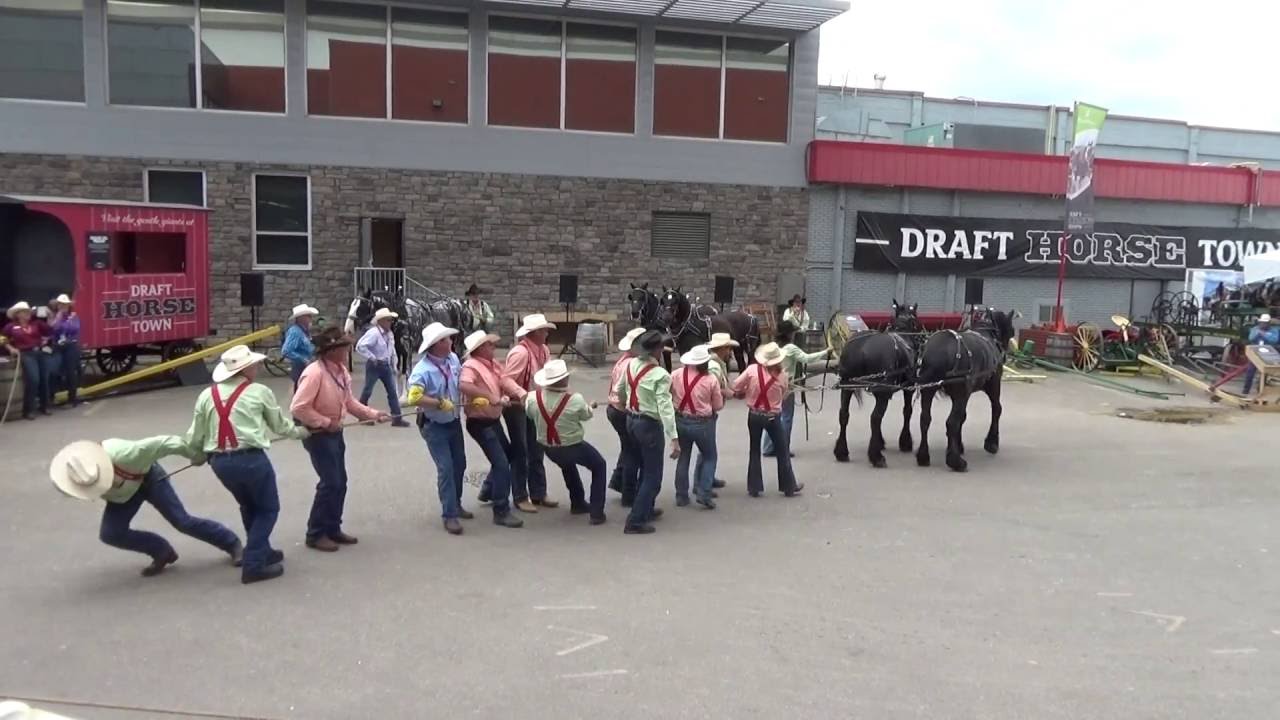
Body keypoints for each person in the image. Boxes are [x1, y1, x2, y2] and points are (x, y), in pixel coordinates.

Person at [183, 344, 308, 584]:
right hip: (251, 458)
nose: (259, 367)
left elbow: (195, 436)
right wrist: (303, 433)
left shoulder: (207, 395)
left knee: (249, 506)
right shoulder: (259, 392)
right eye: (255, 364)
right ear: (246, 369)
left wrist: (196, 456)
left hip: (220, 462)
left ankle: (262, 550)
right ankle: (253, 564)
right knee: (268, 508)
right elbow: (280, 426)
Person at [50, 437, 242, 578]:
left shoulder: (126, 454)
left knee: (182, 521)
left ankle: (231, 543)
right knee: (111, 533)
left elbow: (167, 442)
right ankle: (161, 551)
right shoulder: (72, 474)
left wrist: (196, 455)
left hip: (149, 479)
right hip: (123, 494)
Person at [292, 328, 391, 553]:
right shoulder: (314, 373)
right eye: (344, 347)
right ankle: (315, 533)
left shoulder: (340, 371)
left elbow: (349, 402)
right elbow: (298, 408)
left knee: (340, 482)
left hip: (334, 432)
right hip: (318, 434)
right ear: (331, 351)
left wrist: (373, 414)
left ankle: (332, 527)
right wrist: (325, 422)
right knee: (330, 482)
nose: (348, 350)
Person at [407, 322, 471, 535]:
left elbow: (461, 380)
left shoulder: (452, 359)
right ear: (435, 345)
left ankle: (456, 503)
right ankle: (449, 514)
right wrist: (437, 403)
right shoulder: (422, 370)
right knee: (446, 468)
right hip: (434, 424)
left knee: (459, 464)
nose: (451, 342)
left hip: (453, 420)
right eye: (445, 339)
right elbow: (413, 397)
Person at [526, 359, 608, 525]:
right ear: (563, 380)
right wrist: (590, 406)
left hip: (548, 447)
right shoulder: (575, 400)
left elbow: (529, 414)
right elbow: (586, 415)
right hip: (572, 445)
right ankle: (597, 512)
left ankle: (577, 502)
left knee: (567, 465)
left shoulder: (533, 398)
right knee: (599, 465)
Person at [613, 330, 679, 535]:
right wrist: (674, 437)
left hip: (631, 419)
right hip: (649, 424)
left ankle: (645, 507)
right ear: (658, 350)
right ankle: (636, 519)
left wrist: (626, 404)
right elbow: (665, 407)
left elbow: (621, 388)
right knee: (652, 474)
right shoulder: (660, 375)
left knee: (638, 463)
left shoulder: (631, 364)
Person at [458, 329, 524, 529]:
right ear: (479, 349)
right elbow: (464, 385)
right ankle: (501, 510)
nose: (493, 347)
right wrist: (490, 396)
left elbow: (504, 380)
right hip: (480, 421)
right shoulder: (471, 365)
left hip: (491, 419)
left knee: (508, 456)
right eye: (489, 345)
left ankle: (488, 490)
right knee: (502, 463)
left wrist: (520, 394)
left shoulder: (492, 364)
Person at [501, 313, 559, 512]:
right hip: (518, 406)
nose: (547, 333)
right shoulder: (520, 353)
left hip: (535, 404)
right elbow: (506, 379)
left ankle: (538, 492)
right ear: (534, 333)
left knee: (537, 449)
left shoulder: (543, 350)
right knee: (521, 450)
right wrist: (521, 393)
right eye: (544, 330)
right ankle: (520, 496)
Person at [733, 343, 804, 499]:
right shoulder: (782, 375)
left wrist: (747, 391)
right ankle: (788, 486)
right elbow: (784, 395)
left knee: (754, 449)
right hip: (772, 416)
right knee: (782, 451)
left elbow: (736, 386)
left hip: (754, 414)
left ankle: (754, 487)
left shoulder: (752, 370)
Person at [763, 320, 831, 458]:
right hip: (786, 385)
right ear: (789, 334)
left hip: (771, 384)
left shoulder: (773, 347)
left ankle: (768, 447)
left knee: (772, 416)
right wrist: (825, 352)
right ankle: (783, 448)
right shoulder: (791, 348)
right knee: (786, 418)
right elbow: (807, 359)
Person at [671, 345, 724, 509]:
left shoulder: (676, 375)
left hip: (680, 419)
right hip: (703, 422)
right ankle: (704, 493)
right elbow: (718, 404)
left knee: (683, 457)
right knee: (709, 457)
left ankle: (681, 495)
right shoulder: (710, 379)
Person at [606, 327, 646, 501]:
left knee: (627, 447)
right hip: (622, 410)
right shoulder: (632, 364)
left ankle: (618, 480)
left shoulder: (623, 360)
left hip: (614, 408)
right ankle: (628, 492)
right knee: (633, 452)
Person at [356, 307, 408, 427]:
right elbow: (360, 346)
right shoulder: (374, 333)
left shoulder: (389, 334)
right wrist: (372, 357)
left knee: (392, 391)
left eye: (391, 320)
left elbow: (392, 351)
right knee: (367, 390)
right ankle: (362, 415)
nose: (391, 322)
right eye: (388, 320)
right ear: (381, 321)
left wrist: (395, 365)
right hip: (375, 365)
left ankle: (397, 418)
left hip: (385, 364)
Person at [3, 301, 53, 420]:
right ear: (18, 314)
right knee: (33, 380)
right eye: (25, 312)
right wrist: (10, 348)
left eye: (28, 312)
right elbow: (2, 338)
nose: (28, 314)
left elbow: (50, 330)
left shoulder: (36, 323)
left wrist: (50, 317)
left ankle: (44, 406)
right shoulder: (11, 326)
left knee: (44, 379)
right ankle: (28, 409)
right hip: (26, 354)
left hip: (40, 352)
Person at [703, 332, 739, 490]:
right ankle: (704, 485)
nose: (730, 351)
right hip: (707, 411)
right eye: (728, 348)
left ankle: (707, 479)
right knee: (708, 452)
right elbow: (712, 388)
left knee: (706, 451)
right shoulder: (714, 366)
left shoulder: (718, 364)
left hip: (707, 410)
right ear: (723, 349)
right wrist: (727, 393)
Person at [50, 294, 82, 407]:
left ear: (69, 305)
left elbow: (75, 329)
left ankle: (72, 399)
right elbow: (52, 329)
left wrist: (63, 324)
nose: (62, 306)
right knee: (54, 370)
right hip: (57, 346)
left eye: (65, 304)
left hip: (70, 346)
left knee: (70, 372)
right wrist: (58, 318)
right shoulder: (53, 316)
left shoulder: (73, 316)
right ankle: (52, 396)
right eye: (60, 304)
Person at [281, 303, 319, 388]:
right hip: (300, 368)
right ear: (301, 318)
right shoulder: (295, 332)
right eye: (308, 316)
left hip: (304, 368)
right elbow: (286, 351)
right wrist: (304, 360)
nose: (311, 318)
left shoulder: (303, 331)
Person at [1243, 313, 1280, 394]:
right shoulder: (1255, 329)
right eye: (1262, 322)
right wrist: (1258, 333)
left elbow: (1274, 340)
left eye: (1265, 323)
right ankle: (1245, 391)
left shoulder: (1274, 331)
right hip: (1256, 353)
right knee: (1250, 371)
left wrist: (1264, 334)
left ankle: (1260, 391)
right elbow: (1251, 338)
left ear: (1268, 323)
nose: (1263, 324)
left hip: (1268, 354)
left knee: (1265, 373)